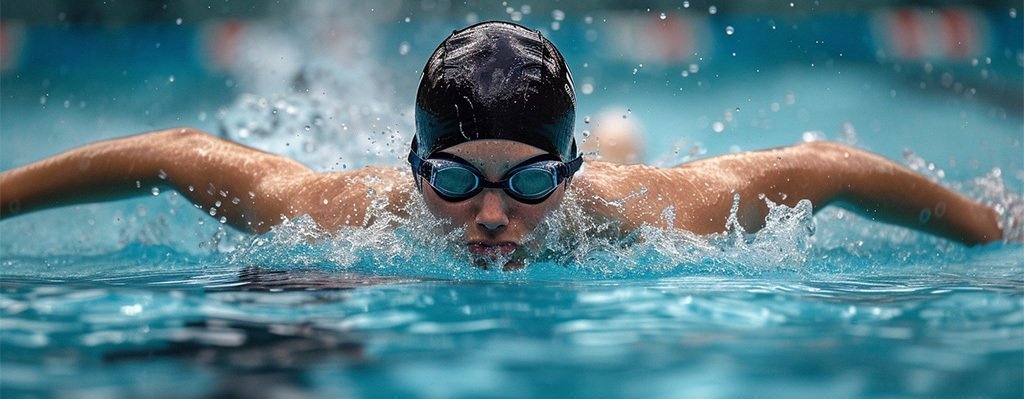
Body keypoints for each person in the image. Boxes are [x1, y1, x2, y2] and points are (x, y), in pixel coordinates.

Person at [0, 21, 1005, 269]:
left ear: (564, 177)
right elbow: (175, 153)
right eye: (452, 180)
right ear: (412, 167)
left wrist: (986, 229)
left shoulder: (647, 215)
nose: (487, 216)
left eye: (528, 183)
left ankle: (609, 135)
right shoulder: (336, 216)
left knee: (629, 149)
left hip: (615, 167)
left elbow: (820, 169)